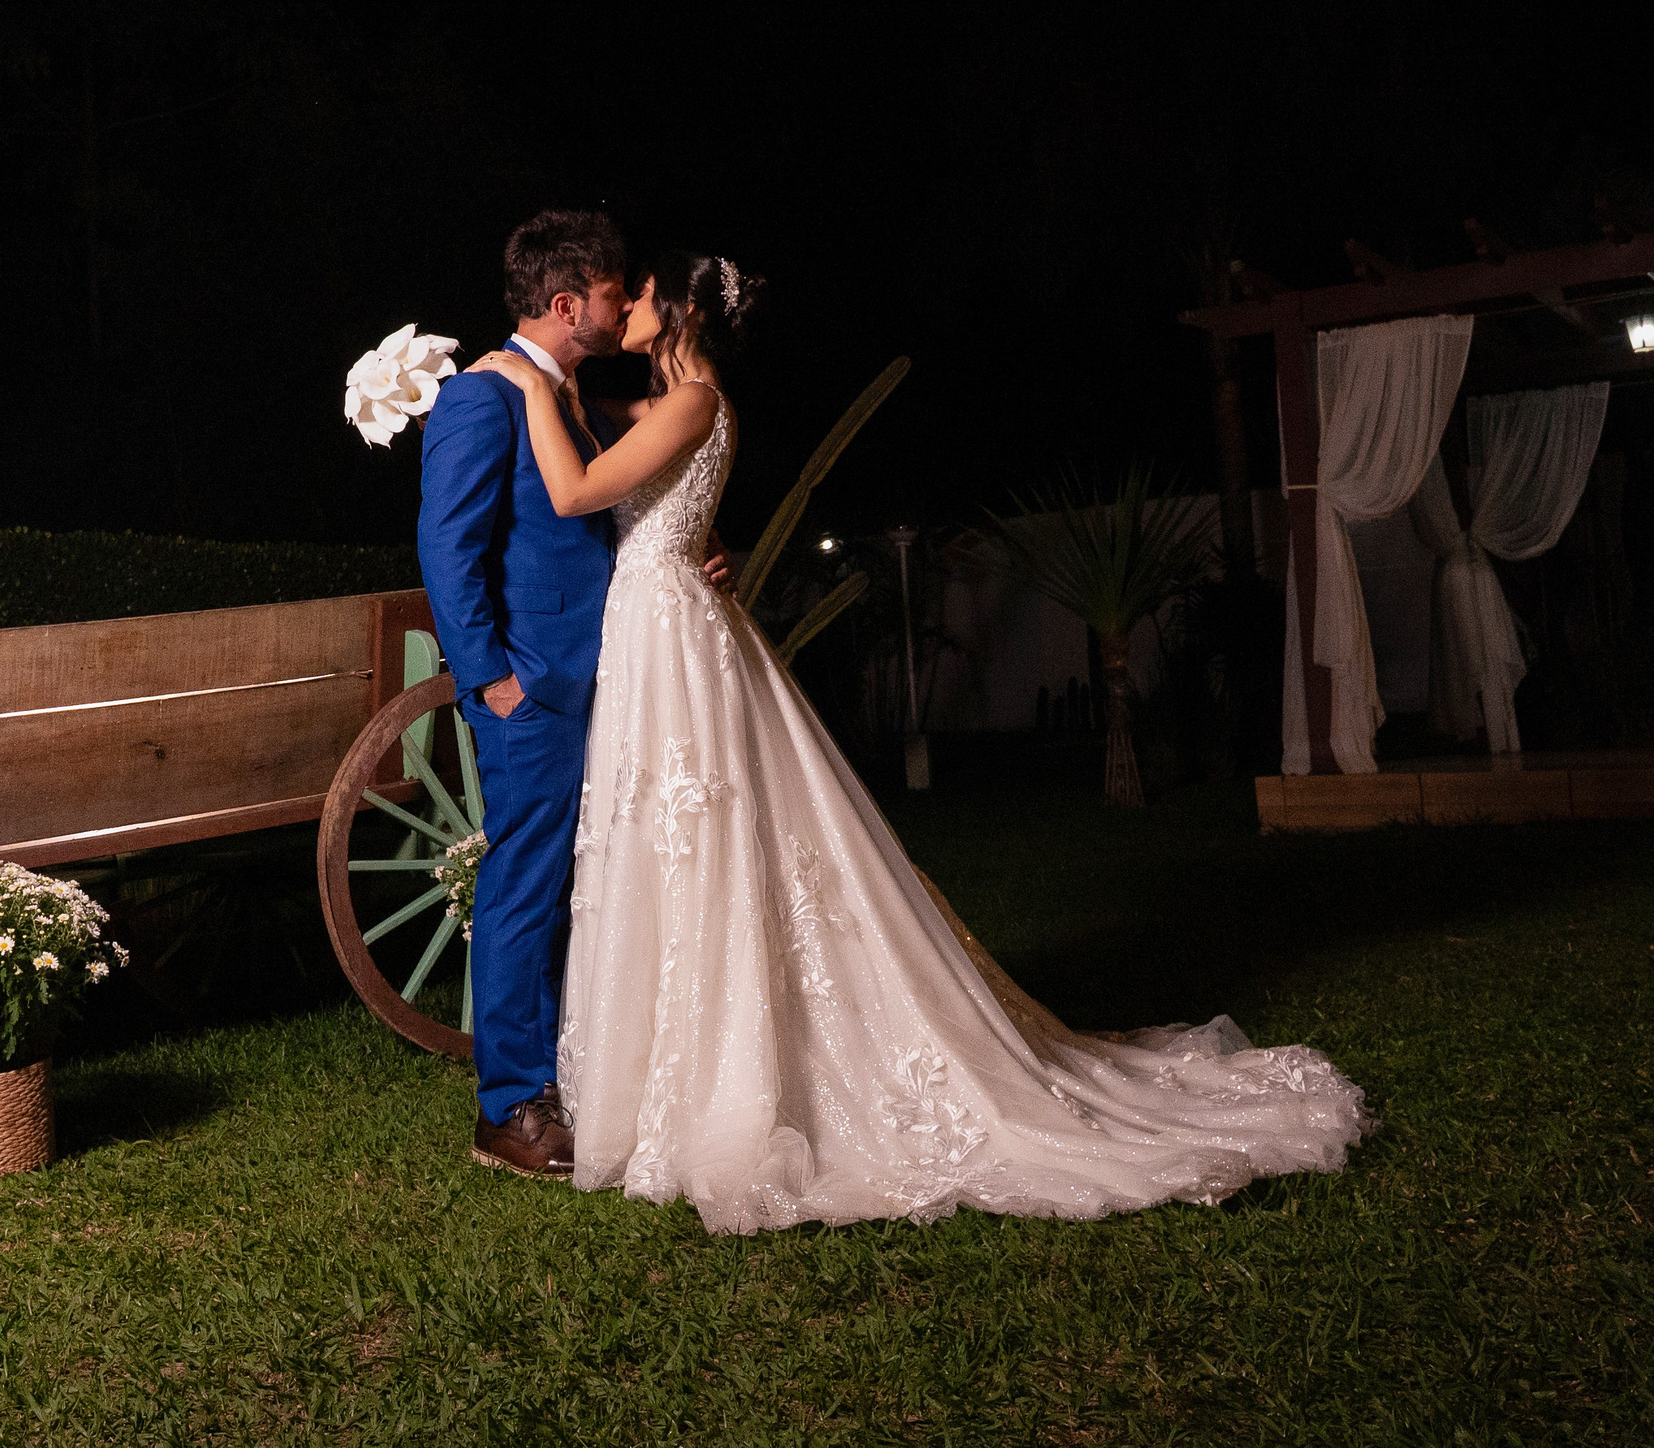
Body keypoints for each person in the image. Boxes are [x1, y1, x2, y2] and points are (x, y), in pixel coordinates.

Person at [467, 253, 1372, 1234]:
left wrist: (523, 383)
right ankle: (660, 1071)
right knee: (661, 835)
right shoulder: (666, 404)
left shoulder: (689, 399)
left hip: (668, 631)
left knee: (700, 828)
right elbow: (646, 490)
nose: (627, 306)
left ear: (678, 312)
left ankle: (724, 1078)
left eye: (640, 295)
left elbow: (573, 492)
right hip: (654, 621)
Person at [415, 210, 732, 1179]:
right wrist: (491, 680)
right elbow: (447, 549)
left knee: (582, 886)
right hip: (534, 689)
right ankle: (509, 1109)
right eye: (610, 288)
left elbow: (605, 516)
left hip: (618, 682)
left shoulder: (576, 401)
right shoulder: (483, 396)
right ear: (566, 303)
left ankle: (576, 1074)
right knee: (524, 888)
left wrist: (679, 563)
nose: (623, 298)